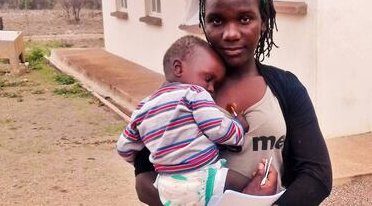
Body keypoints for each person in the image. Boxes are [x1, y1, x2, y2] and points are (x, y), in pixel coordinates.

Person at [134, 0, 332, 206]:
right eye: (217, 20)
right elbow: (143, 180)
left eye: (244, 19)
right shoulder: (177, 94)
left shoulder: (286, 88)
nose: (231, 33)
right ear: (204, 23)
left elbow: (317, 175)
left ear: (264, 21)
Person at [117, 35, 277, 206]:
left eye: (214, 84)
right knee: (249, 188)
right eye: (208, 79)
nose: (211, 88)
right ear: (178, 68)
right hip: (203, 177)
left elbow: (124, 147)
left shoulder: (143, 107)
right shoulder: (194, 94)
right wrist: (239, 126)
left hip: (166, 186)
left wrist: (151, 155)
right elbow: (218, 129)